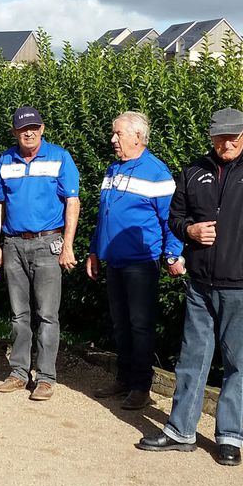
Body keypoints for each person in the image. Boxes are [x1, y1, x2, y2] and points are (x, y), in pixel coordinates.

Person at [138, 108, 243, 466]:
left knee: (237, 364)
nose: (226, 143)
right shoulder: (194, 171)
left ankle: (229, 437)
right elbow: (175, 218)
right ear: (210, 136)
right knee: (191, 358)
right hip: (200, 284)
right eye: (219, 136)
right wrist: (189, 231)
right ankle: (181, 430)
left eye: (233, 136)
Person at [85, 112, 185, 410]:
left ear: (138, 137)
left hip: (142, 262)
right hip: (114, 261)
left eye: (118, 134)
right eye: (114, 134)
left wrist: (173, 253)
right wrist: (93, 250)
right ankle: (124, 378)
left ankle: (142, 386)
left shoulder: (156, 172)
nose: (113, 139)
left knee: (140, 325)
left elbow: (172, 220)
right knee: (120, 323)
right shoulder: (113, 169)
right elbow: (103, 216)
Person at [0, 106, 80, 401]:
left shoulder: (59, 157)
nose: (28, 132)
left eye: (33, 127)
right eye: (22, 128)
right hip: (13, 244)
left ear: (42, 129)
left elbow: (72, 202)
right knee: (18, 314)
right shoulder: (6, 159)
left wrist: (67, 245)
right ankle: (18, 373)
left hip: (47, 243)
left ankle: (45, 377)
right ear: (15, 131)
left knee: (47, 315)